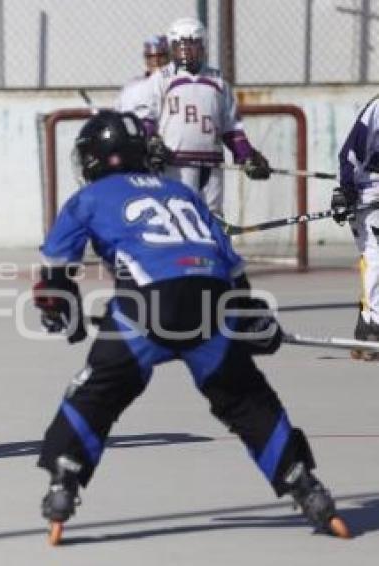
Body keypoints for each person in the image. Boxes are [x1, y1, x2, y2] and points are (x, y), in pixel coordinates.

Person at [32, 110, 349, 545]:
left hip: (148, 306)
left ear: (98, 159)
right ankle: (304, 484)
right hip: (212, 302)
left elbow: (53, 273)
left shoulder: (90, 197)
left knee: (97, 392)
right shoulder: (182, 191)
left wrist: (59, 311)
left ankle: (64, 478)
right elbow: (233, 275)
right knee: (247, 399)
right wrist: (251, 319)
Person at [138, 17, 271, 216]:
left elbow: (231, 128)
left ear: (202, 46)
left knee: (213, 217)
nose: (185, 52)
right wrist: (151, 141)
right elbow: (146, 118)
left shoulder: (217, 81)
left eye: (191, 45)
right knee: (178, 214)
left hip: (212, 165)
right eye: (180, 46)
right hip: (176, 164)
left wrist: (247, 156)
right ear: (172, 48)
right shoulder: (161, 79)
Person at [335, 96, 379, 360]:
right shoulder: (377, 109)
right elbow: (349, 153)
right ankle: (373, 325)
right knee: (376, 256)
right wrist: (347, 192)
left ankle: (366, 325)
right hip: (371, 196)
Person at [114, 35, 170, 115]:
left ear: (168, 58)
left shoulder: (174, 83)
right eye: (151, 57)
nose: (156, 61)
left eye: (161, 56)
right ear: (146, 59)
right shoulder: (132, 85)